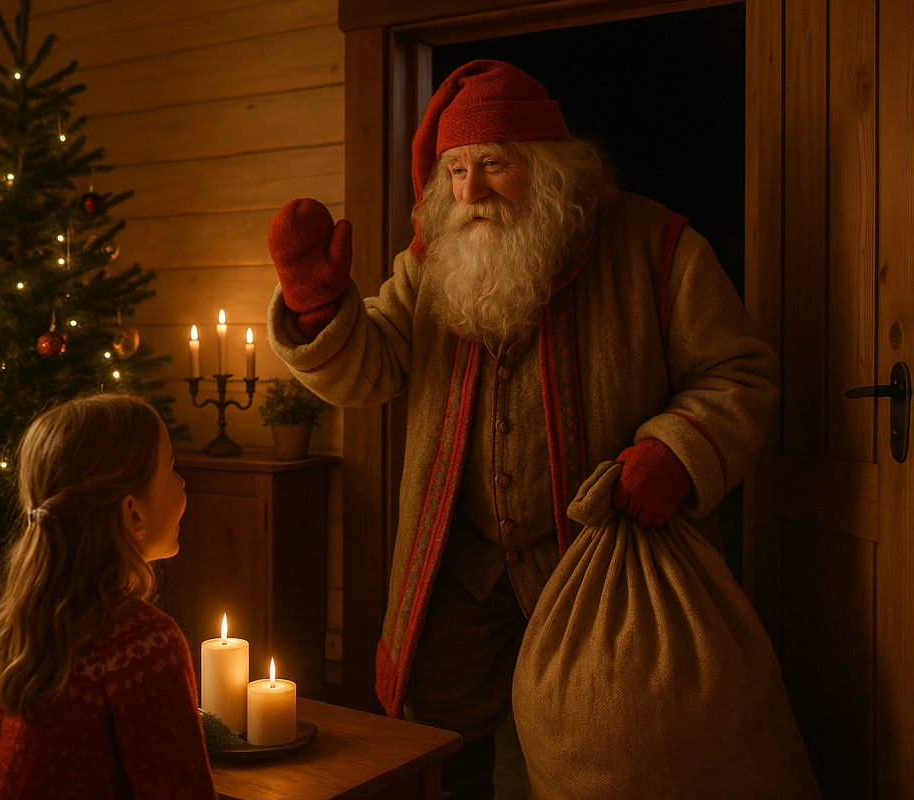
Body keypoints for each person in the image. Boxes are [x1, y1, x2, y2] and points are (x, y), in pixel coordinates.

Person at [266, 59, 780, 798]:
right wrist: (317, 308)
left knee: (611, 747)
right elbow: (371, 366)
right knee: (437, 742)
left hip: (600, 558)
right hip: (461, 560)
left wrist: (676, 450)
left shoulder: (657, 246)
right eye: (454, 170)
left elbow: (741, 371)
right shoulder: (431, 260)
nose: (469, 191)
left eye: (493, 166)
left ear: (550, 165)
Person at [0, 393, 217, 799]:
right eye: (171, 469)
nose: (182, 482)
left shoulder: (19, 622)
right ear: (132, 513)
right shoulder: (143, 643)